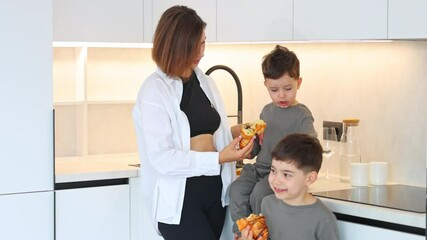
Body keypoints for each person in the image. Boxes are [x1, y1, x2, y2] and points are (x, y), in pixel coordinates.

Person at [132, 5, 254, 240]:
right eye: (195, 46)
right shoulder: (154, 90)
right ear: (175, 46)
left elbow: (205, 135)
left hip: (215, 196)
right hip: (181, 202)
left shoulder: (205, 81)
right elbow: (162, 158)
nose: (202, 51)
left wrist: (235, 134)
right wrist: (219, 158)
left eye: (203, 43)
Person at [230, 45, 317, 235]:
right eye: (274, 89)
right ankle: (243, 233)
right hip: (259, 168)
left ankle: (261, 234)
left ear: (299, 82)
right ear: (266, 85)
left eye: (288, 88)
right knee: (236, 190)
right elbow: (259, 147)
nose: (281, 95)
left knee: (260, 195)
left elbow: (311, 148)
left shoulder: (302, 115)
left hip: (280, 174)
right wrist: (247, 144)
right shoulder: (266, 111)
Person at [239, 133, 339, 240]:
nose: (276, 180)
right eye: (273, 170)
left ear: (310, 178)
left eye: (286, 174)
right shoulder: (267, 204)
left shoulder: (323, 218)